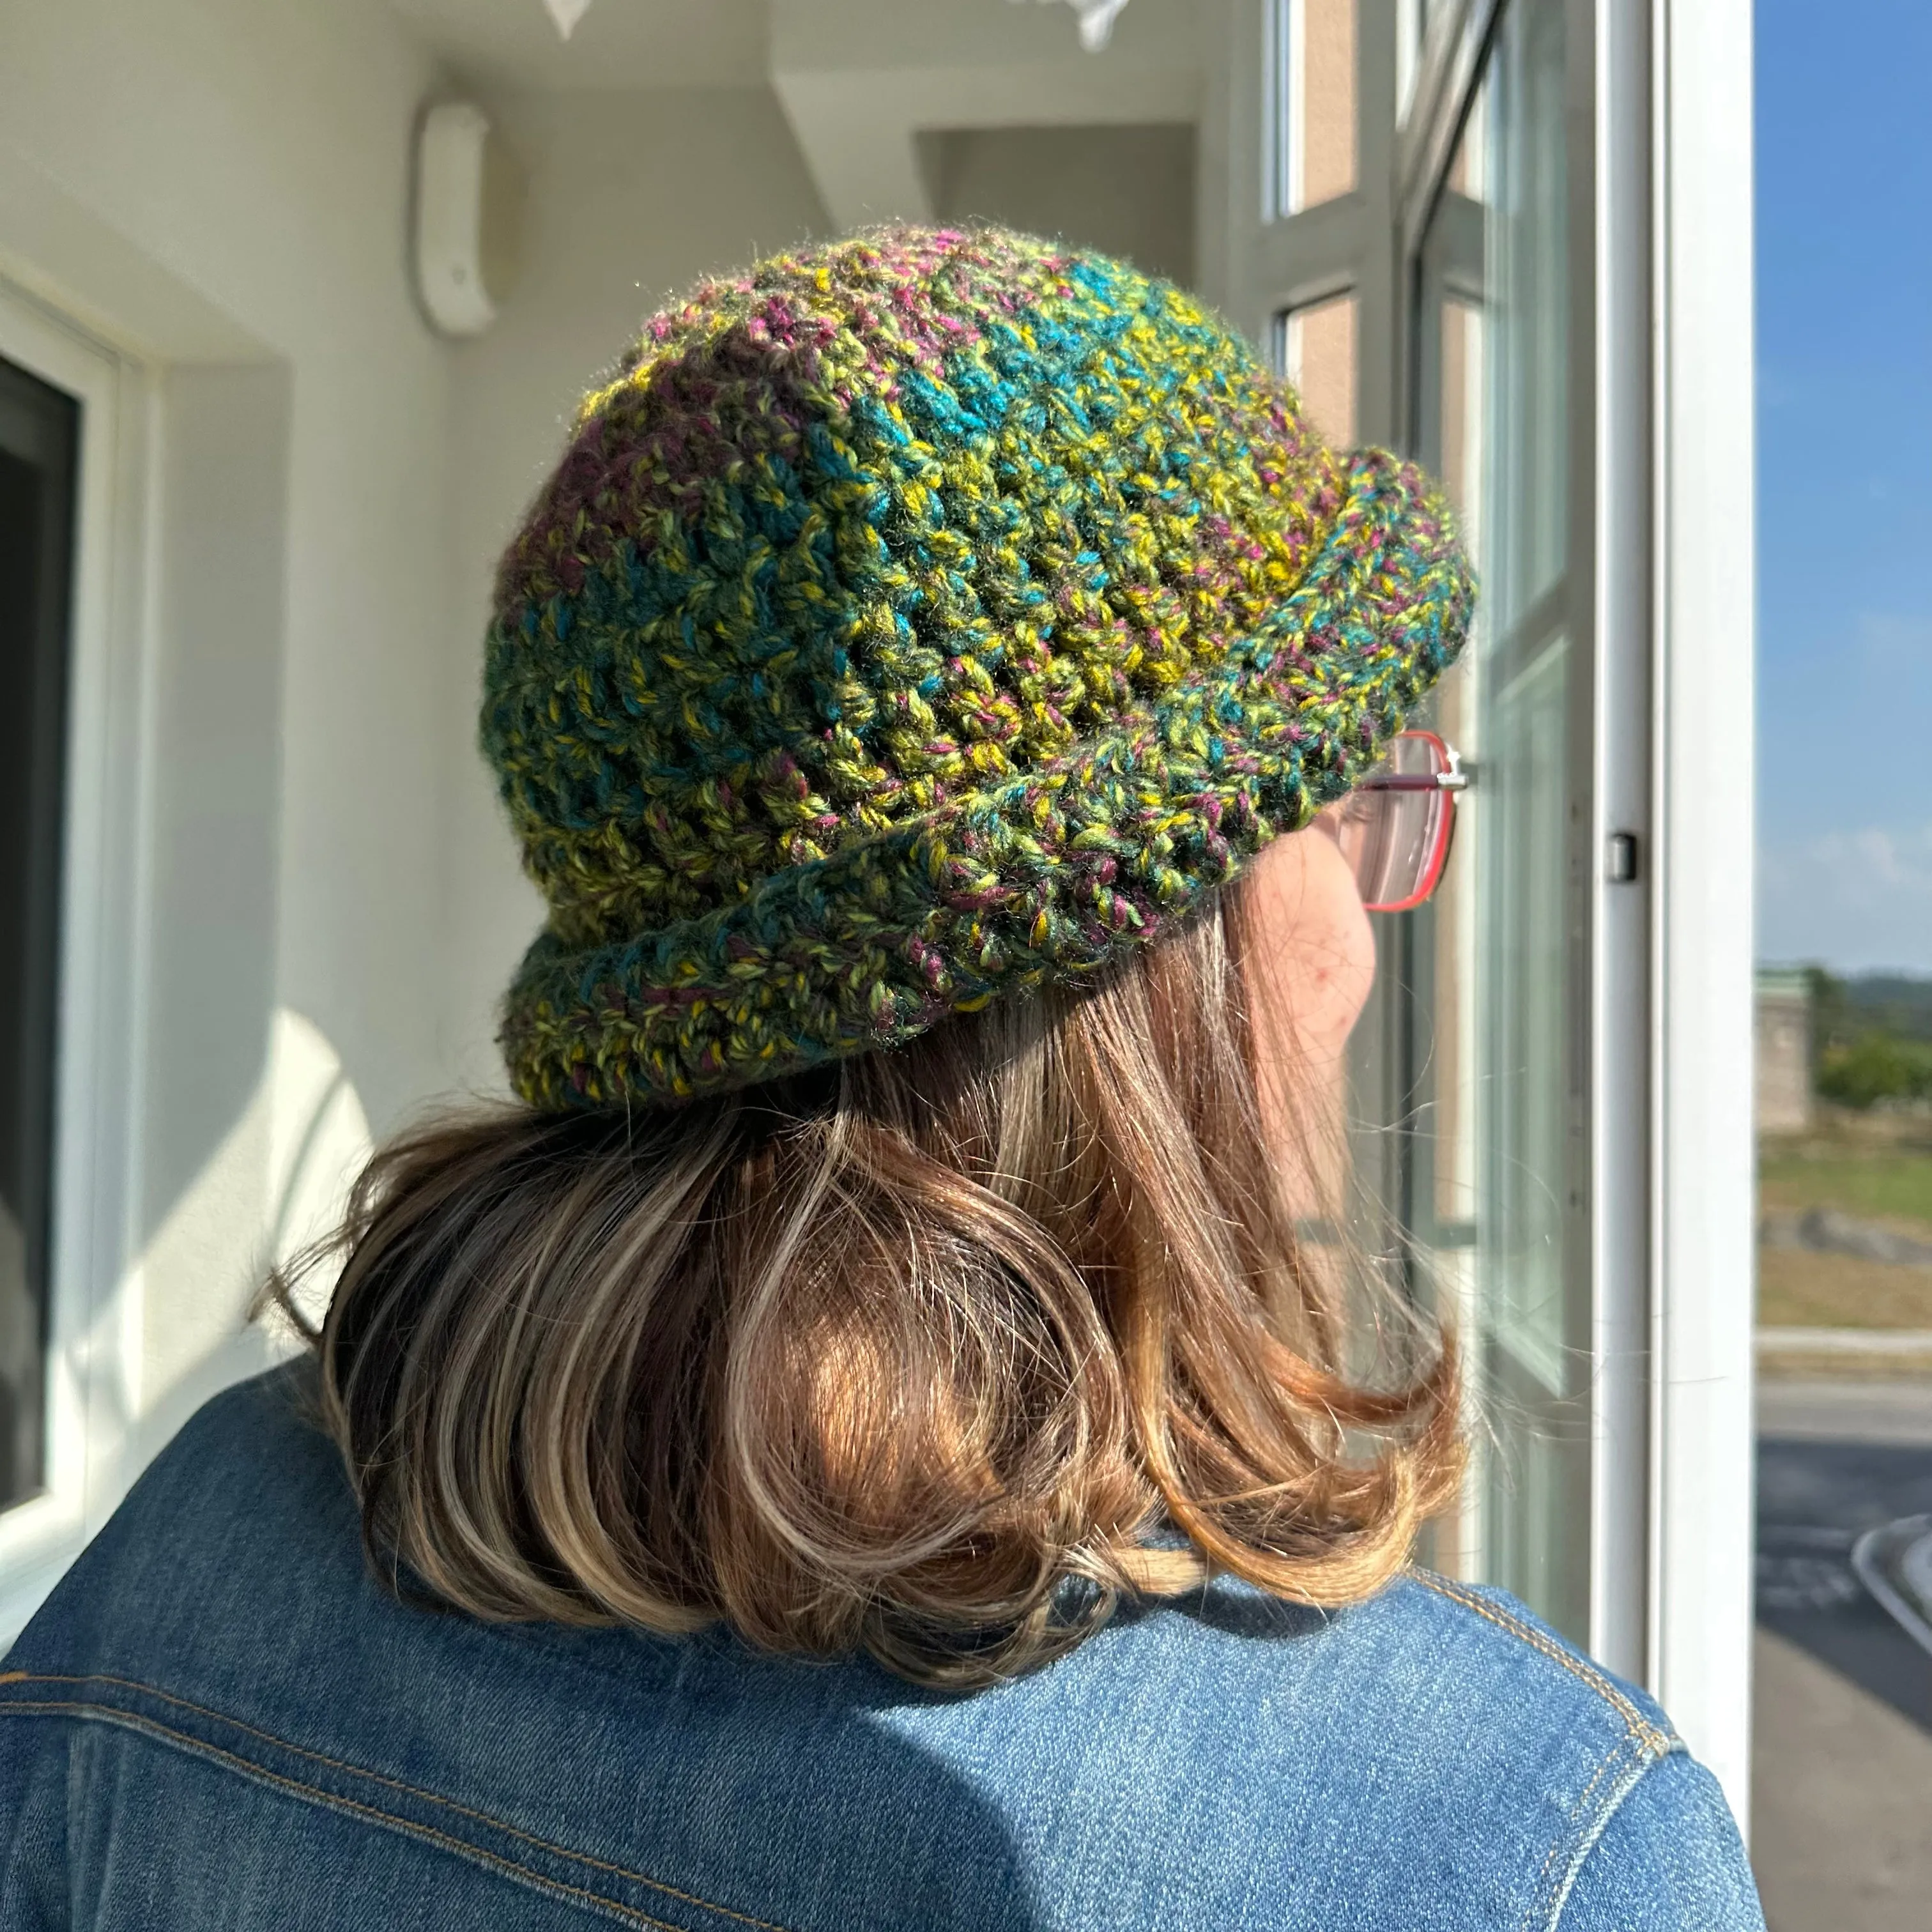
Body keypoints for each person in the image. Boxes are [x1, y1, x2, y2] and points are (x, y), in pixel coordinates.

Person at [0, 227, 1761, 1929]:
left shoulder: (204, 1540)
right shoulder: (1504, 1846)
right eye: (1349, 807)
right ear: (1148, 944)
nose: (1371, 939)